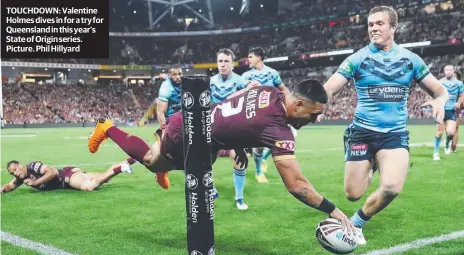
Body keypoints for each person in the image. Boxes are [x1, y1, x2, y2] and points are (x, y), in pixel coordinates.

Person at [88, 80, 356, 233]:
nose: (314, 120)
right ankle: (107, 127)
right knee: (150, 159)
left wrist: (239, 136)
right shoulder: (278, 129)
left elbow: (244, 92)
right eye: (312, 114)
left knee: (205, 161)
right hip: (189, 133)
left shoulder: (268, 91)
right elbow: (297, 186)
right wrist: (335, 211)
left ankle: (166, 166)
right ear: (297, 104)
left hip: (200, 122)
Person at [323, 6, 448, 245]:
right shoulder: (357, 59)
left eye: (379, 24)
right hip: (361, 132)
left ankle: (357, 224)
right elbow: (330, 88)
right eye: (370, 25)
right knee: (353, 194)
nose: (374, 28)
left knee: (391, 187)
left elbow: (439, 89)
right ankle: (370, 165)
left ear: (393, 27)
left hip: (394, 134)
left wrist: (440, 100)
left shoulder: (411, 60)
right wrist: (318, 104)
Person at [211, 48, 259, 210]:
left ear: (232, 64)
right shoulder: (210, 82)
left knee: (239, 160)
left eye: (226, 61)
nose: (223, 65)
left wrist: (252, 86)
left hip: (232, 129)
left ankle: (239, 198)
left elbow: (252, 90)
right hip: (212, 128)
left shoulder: (239, 81)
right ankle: (210, 188)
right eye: (220, 61)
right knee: (205, 161)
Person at [242, 47, 291, 182]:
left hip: (273, 112)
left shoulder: (272, 73)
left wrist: (291, 101)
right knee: (258, 144)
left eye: (250, 57)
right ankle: (259, 172)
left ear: (259, 58)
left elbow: (283, 89)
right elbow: (239, 91)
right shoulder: (246, 76)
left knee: (284, 138)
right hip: (255, 114)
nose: (248, 60)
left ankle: (263, 158)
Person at [1, 159, 133, 193]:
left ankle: (121, 167)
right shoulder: (21, 178)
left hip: (66, 176)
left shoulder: (32, 166)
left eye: (15, 169)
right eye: (12, 173)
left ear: (20, 165)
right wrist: (2, 189)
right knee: (105, 177)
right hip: (69, 178)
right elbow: (10, 185)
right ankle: (129, 161)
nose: (15, 173)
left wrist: (36, 182)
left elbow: (53, 172)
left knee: (89, 187)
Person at [432, 65, 464, 159]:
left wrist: (459, 102)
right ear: (444, 71)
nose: (448, 71)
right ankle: (436, 153)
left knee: (450, 132)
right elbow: (434, 94)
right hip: (441, 110)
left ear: (453, 71)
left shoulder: (459, 83)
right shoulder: (440, 82)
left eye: (450, 70)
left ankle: (447, 144)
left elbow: (462, 95)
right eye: (447, 70)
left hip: (452, 111)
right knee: (439, 132)